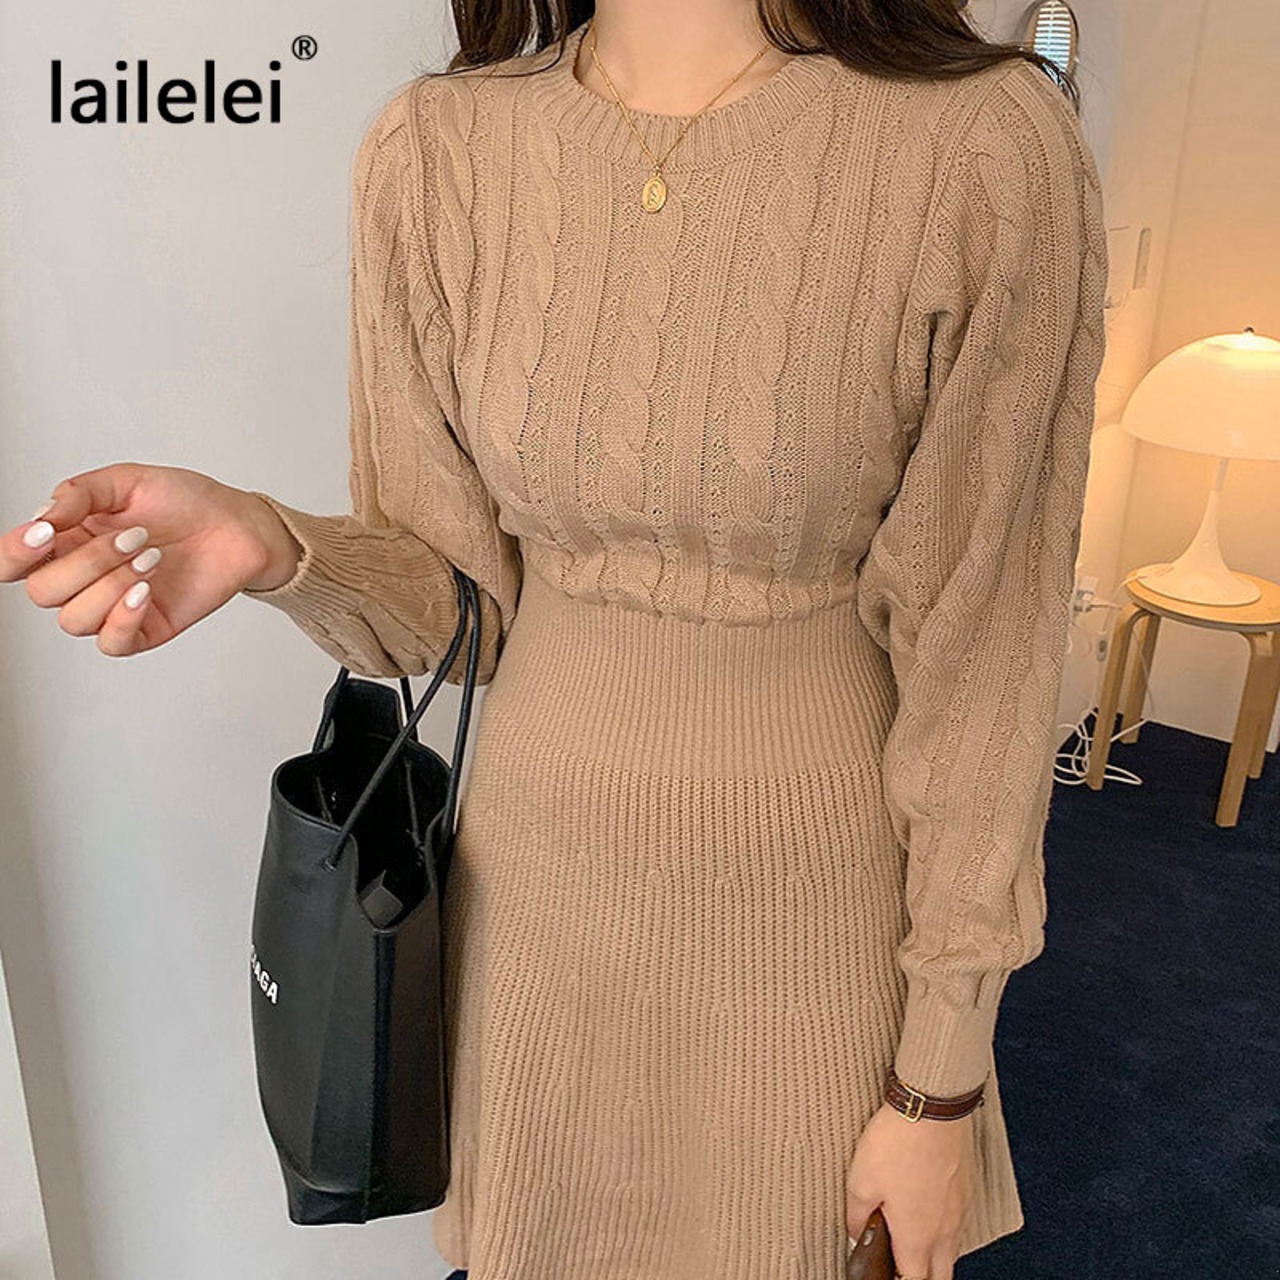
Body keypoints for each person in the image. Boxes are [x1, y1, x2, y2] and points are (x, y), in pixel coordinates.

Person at [2, 2, 1108, 1277]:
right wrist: (274, 545)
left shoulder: (979, 144)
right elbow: (457, 614)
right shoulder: (437, 147)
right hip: (533, 903)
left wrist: (937, 1080)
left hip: (810, 906)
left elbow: (984, 664)